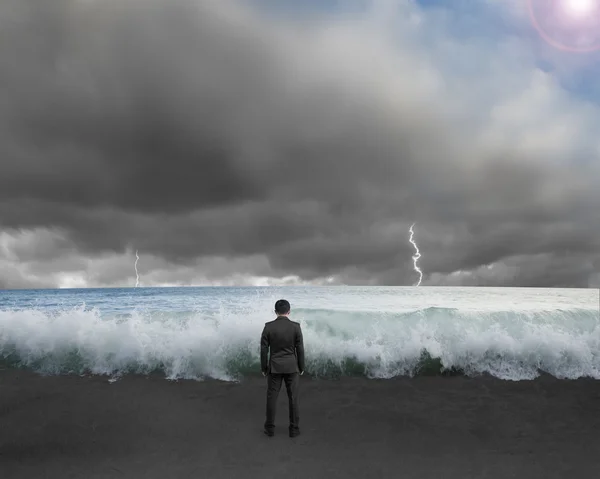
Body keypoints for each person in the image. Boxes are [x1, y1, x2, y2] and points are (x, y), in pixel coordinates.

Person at [260, 299, 305, 438]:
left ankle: (270, 429)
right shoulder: (296, 327)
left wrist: (264, 367)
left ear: (275, 312)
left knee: (272, 398)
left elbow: (263, 351)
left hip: (274, 367)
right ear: (289, 311)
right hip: (292, 367)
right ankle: (294, 429)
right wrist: (301, 366)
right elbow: (300, 349)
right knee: (293, 398)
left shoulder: (268, 327)